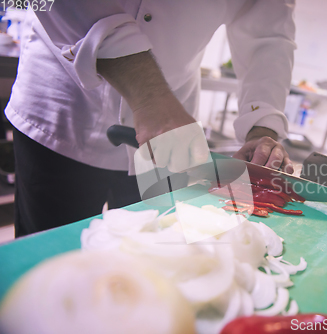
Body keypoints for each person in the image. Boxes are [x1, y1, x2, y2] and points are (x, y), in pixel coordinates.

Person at [6, 0, 296, 237]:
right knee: (50, 257)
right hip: (63, 108)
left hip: (169, 141)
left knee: (155, 249)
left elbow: (268, 34)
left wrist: (262, 125)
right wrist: (149, 97)